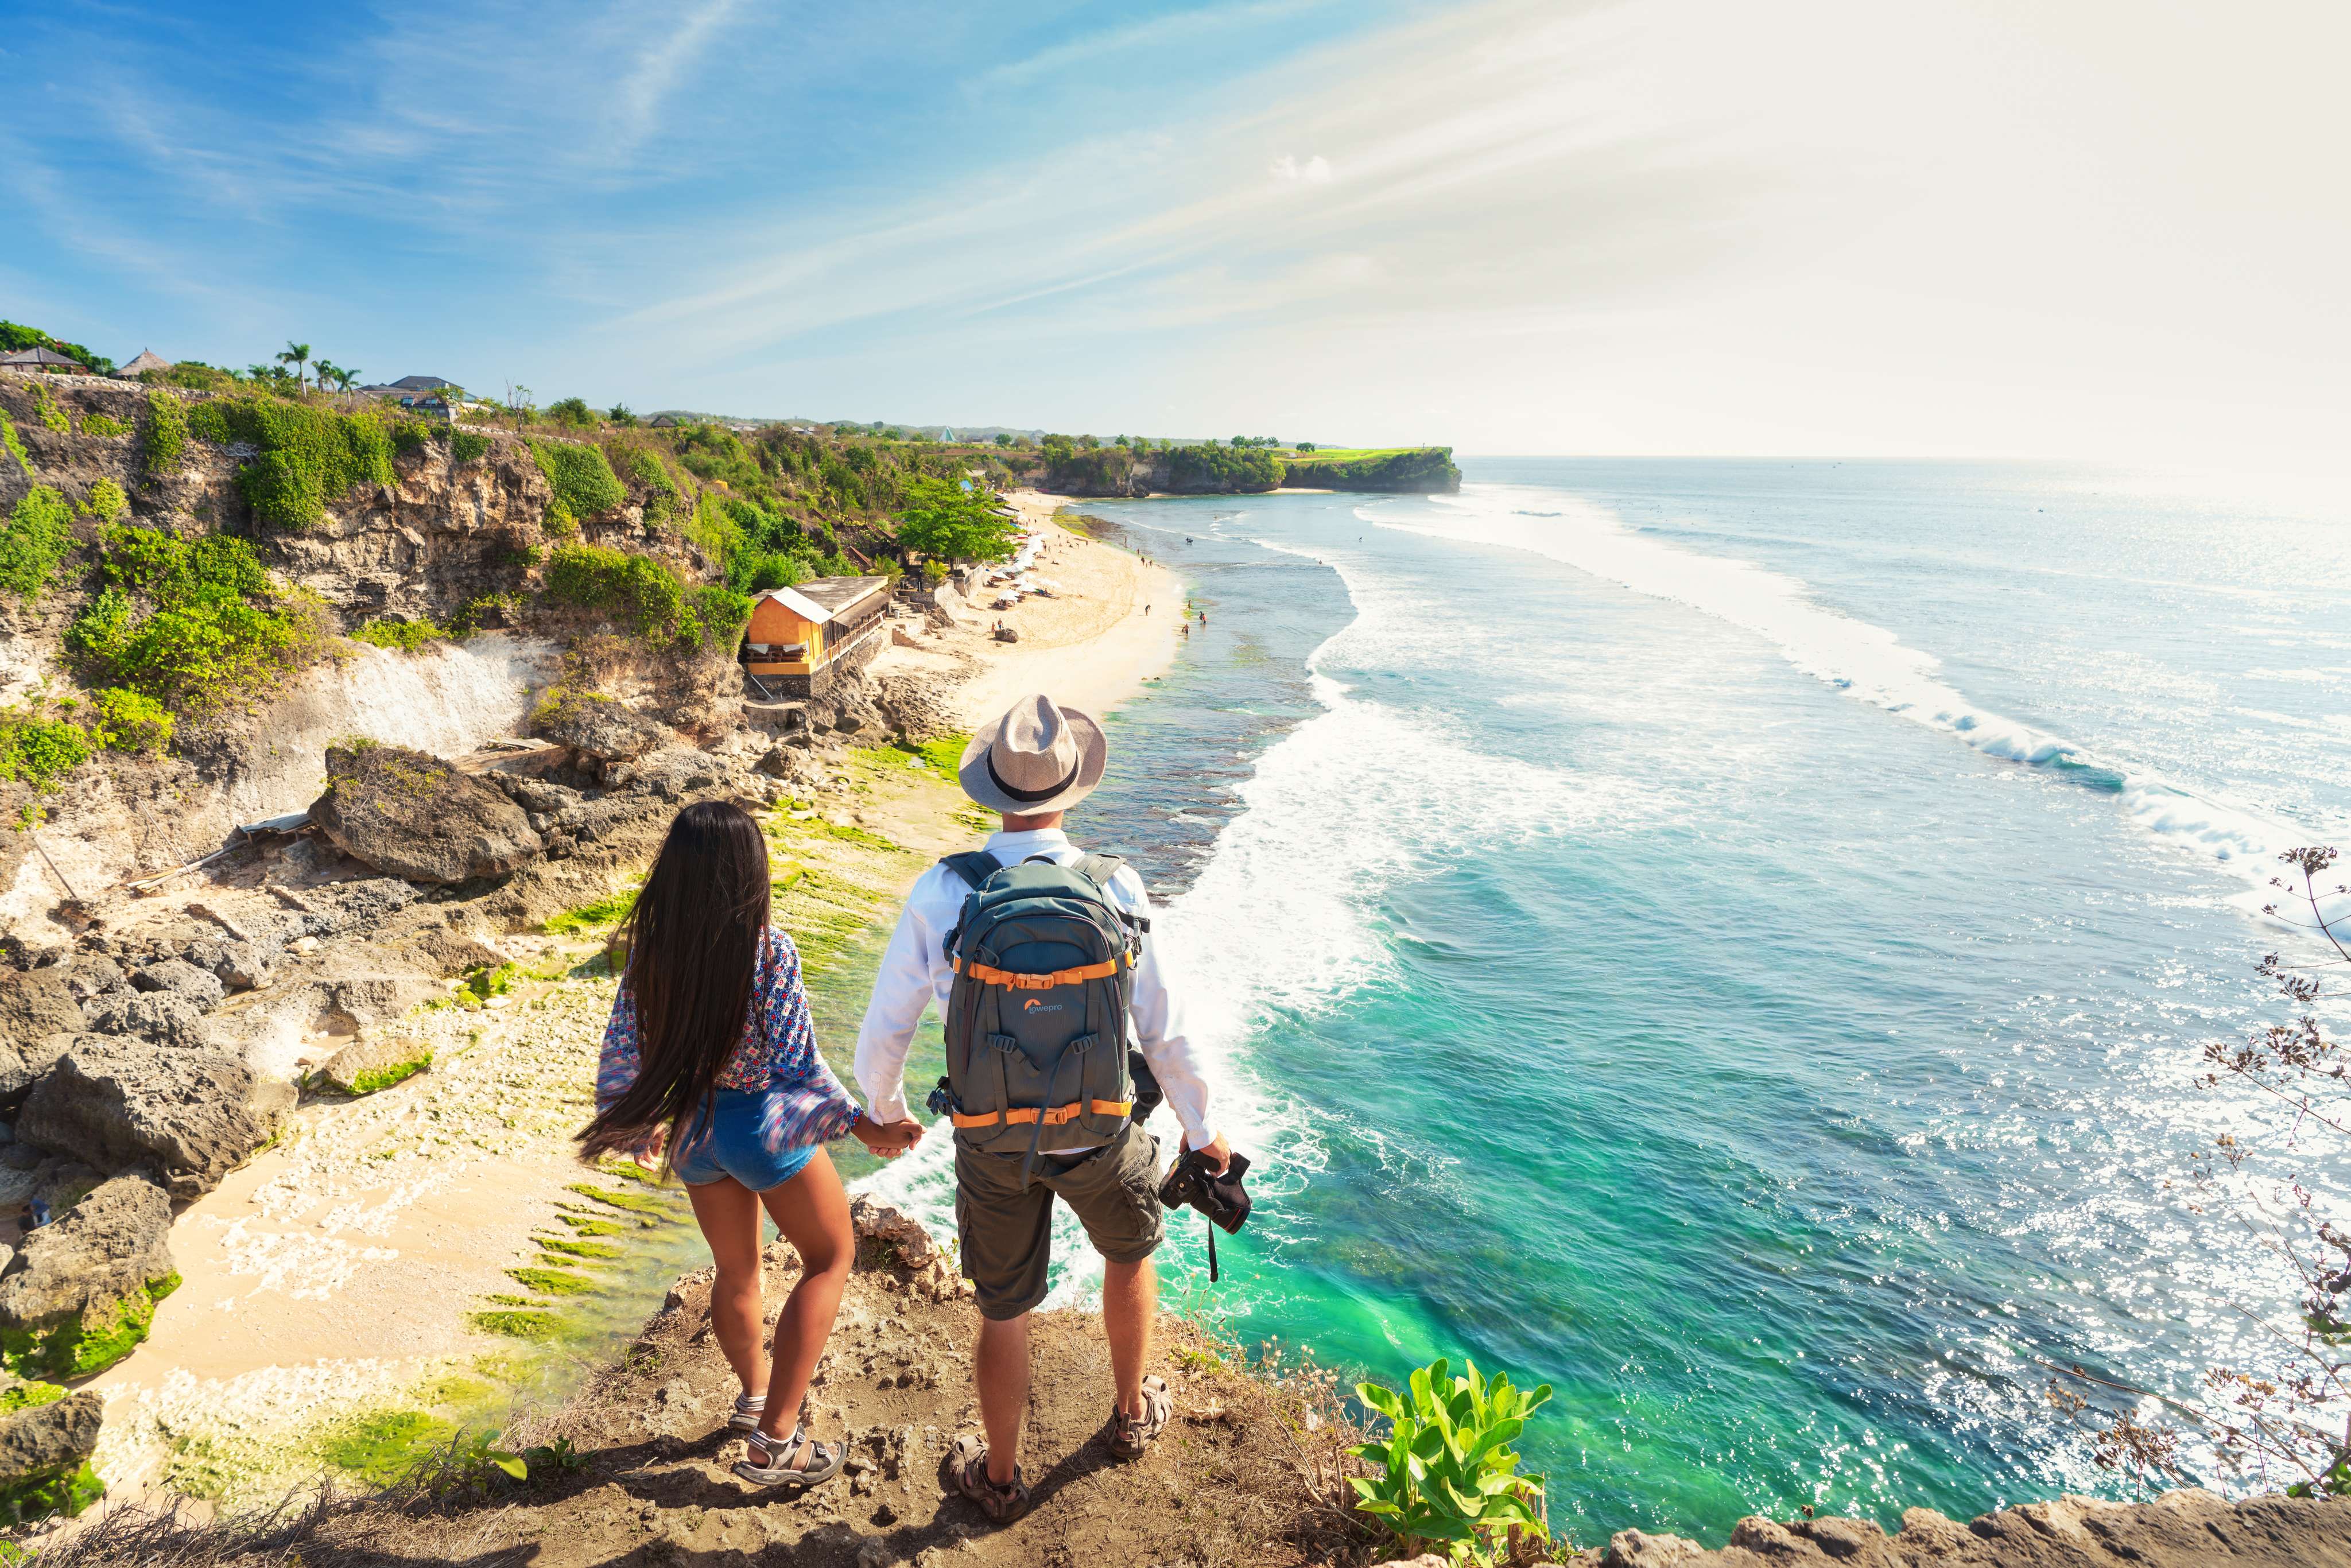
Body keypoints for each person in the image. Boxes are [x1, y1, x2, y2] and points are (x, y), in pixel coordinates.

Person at [854, 695, 1229, 1524]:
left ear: (990, 791)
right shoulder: (1116, 886)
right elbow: (1166, 1030)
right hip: (1101, 1130)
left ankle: (998, 1474)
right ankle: (1131, 1415)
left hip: (990, 1139)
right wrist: (1206, 1134)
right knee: (1129, 1255)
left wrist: (882, 1113)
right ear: (1072, 789)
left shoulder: (943, 891)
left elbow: (887, 1025)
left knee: (1003, 1307)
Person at [579, 801, 920, 1489]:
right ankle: (776, 1441)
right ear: (748, 869)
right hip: (758, 1129)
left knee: (737, 1272)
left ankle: (756, 1396)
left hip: (696, 1132)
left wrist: (636, 1122)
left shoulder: (654, 951)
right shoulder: (768, 948)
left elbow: (626, 1043)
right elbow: (798, 1062)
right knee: (830, 1257)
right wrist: (864, 1124)